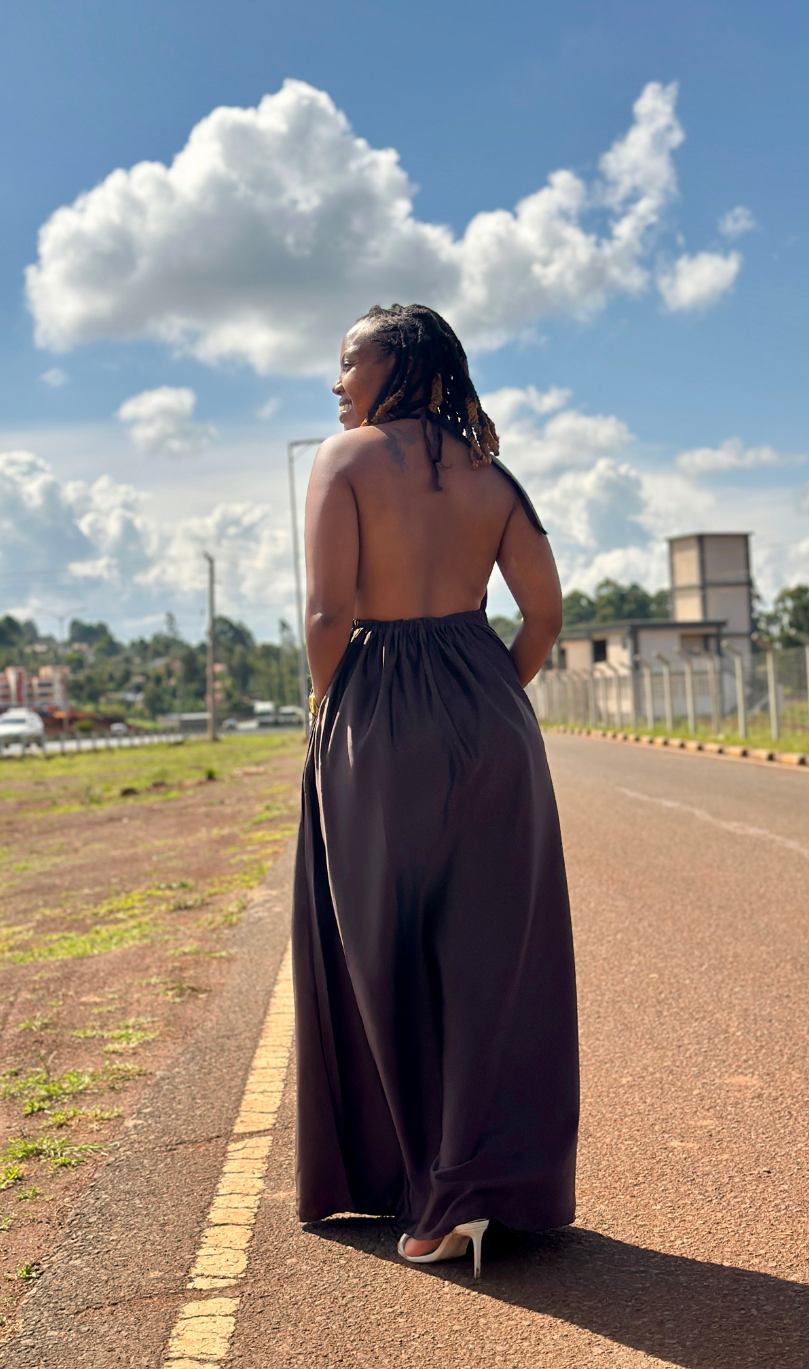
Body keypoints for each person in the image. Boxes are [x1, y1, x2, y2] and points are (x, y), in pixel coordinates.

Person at [292, 303, 579, 1278]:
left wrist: (336, 716)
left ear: (395, 365)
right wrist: (490, 700)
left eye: (347, 363)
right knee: (493, 959)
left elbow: (331, 609)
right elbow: (541, 613)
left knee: (384, 953)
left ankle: (431, 1200)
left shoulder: (344, 462)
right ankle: (498, 1189)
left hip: (375, 705)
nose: (336, 383)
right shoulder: (491, 477)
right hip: (488, 708)